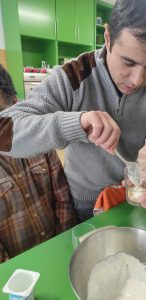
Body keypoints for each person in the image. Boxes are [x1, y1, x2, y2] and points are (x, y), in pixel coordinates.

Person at [0, 0, 146, 222]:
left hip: (126, 198)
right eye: (128, 62)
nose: (137, 80)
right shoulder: (73, 76)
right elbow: (5, 132)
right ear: (108, 38)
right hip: (81, 203)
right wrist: (76, 123)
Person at [0, 64, 77, 262]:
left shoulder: (37, 141)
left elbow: (63, 198)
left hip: (59, 248)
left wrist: (63, 246)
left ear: (15, 106)